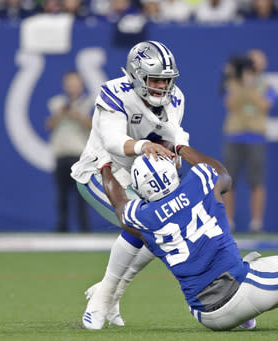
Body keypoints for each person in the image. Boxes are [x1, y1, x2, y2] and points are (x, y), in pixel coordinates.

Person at [96, 144, 278, 331]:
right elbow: (222, 174)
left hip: (201, 312)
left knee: (274, 263)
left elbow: (121, 207)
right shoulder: (198, 183)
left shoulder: (142, 217)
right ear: (172, 173)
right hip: (236, 293)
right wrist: (180, 148)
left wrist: (105, 166)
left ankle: (245, 318)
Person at [71, 40, 190, 329]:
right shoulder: (114, 91)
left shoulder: (176, 99)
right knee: (140, 226)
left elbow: (174, 134)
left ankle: (108, 292)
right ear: (137, 75)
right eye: (156, 79)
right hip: (101, 172)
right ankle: (104, 297)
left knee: (162, 227)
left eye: (166, 80)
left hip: (141, 178)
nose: (162, 87)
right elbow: (112, 141)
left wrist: (177, 154)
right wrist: (144, 147)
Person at [222, 49, 277, 233]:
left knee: (257, 182)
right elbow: (230, 104)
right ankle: (228, 221)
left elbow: (264, 106)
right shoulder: (233, 83)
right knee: (229, 182)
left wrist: (250, 87)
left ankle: (256, 223)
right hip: (235, 134)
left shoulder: (266, 86)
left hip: (256, 136)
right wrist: (239, 81)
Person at [46, 71, 92, 233]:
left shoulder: (89, 102)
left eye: (75, 83)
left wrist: (77, 115)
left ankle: (84, 229)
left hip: (79, 156)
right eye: (69, 83)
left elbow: (93, 126)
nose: (72, 87)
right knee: (62, 195)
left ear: (81, 85)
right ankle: (62, 228)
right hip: (61, 155)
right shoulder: (58, 103)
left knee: (82, 196)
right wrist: (62, 113)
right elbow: (49, 125)